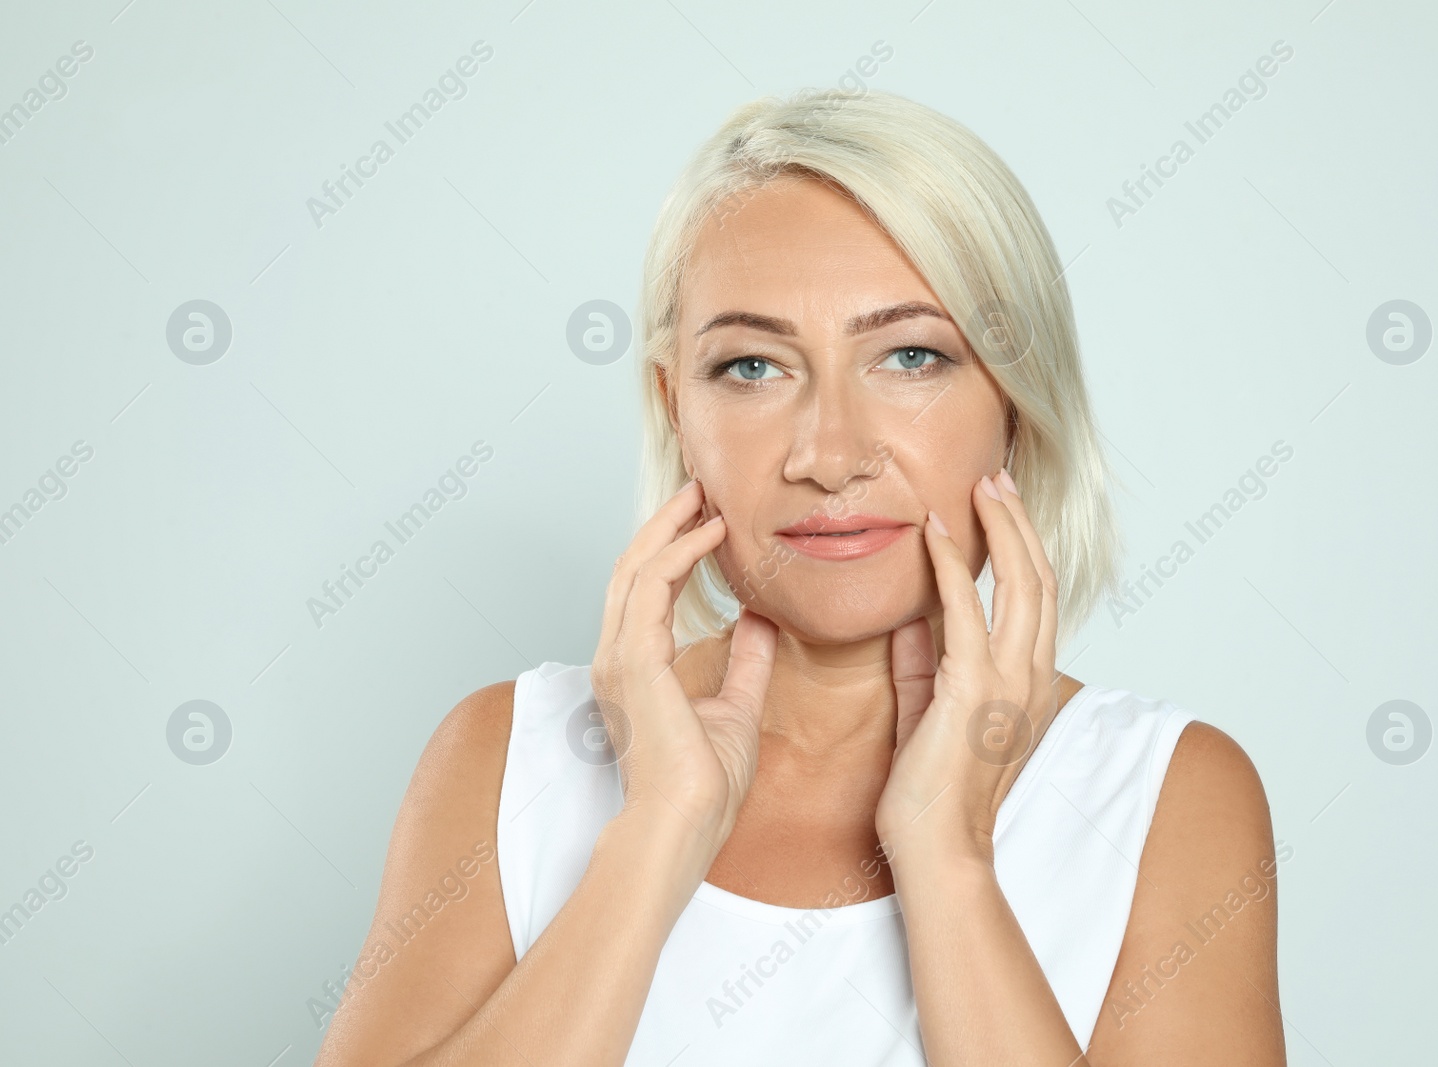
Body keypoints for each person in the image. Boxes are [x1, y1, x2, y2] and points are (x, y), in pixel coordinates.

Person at [315, 87, 1285, 1066]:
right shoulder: (506, 757)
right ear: (675, 408)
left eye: (910, 355)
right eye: (751, 366)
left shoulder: (1167, 796)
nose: (830, 452)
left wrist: (947, 858)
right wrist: (657, 833)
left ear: (1015, 403)